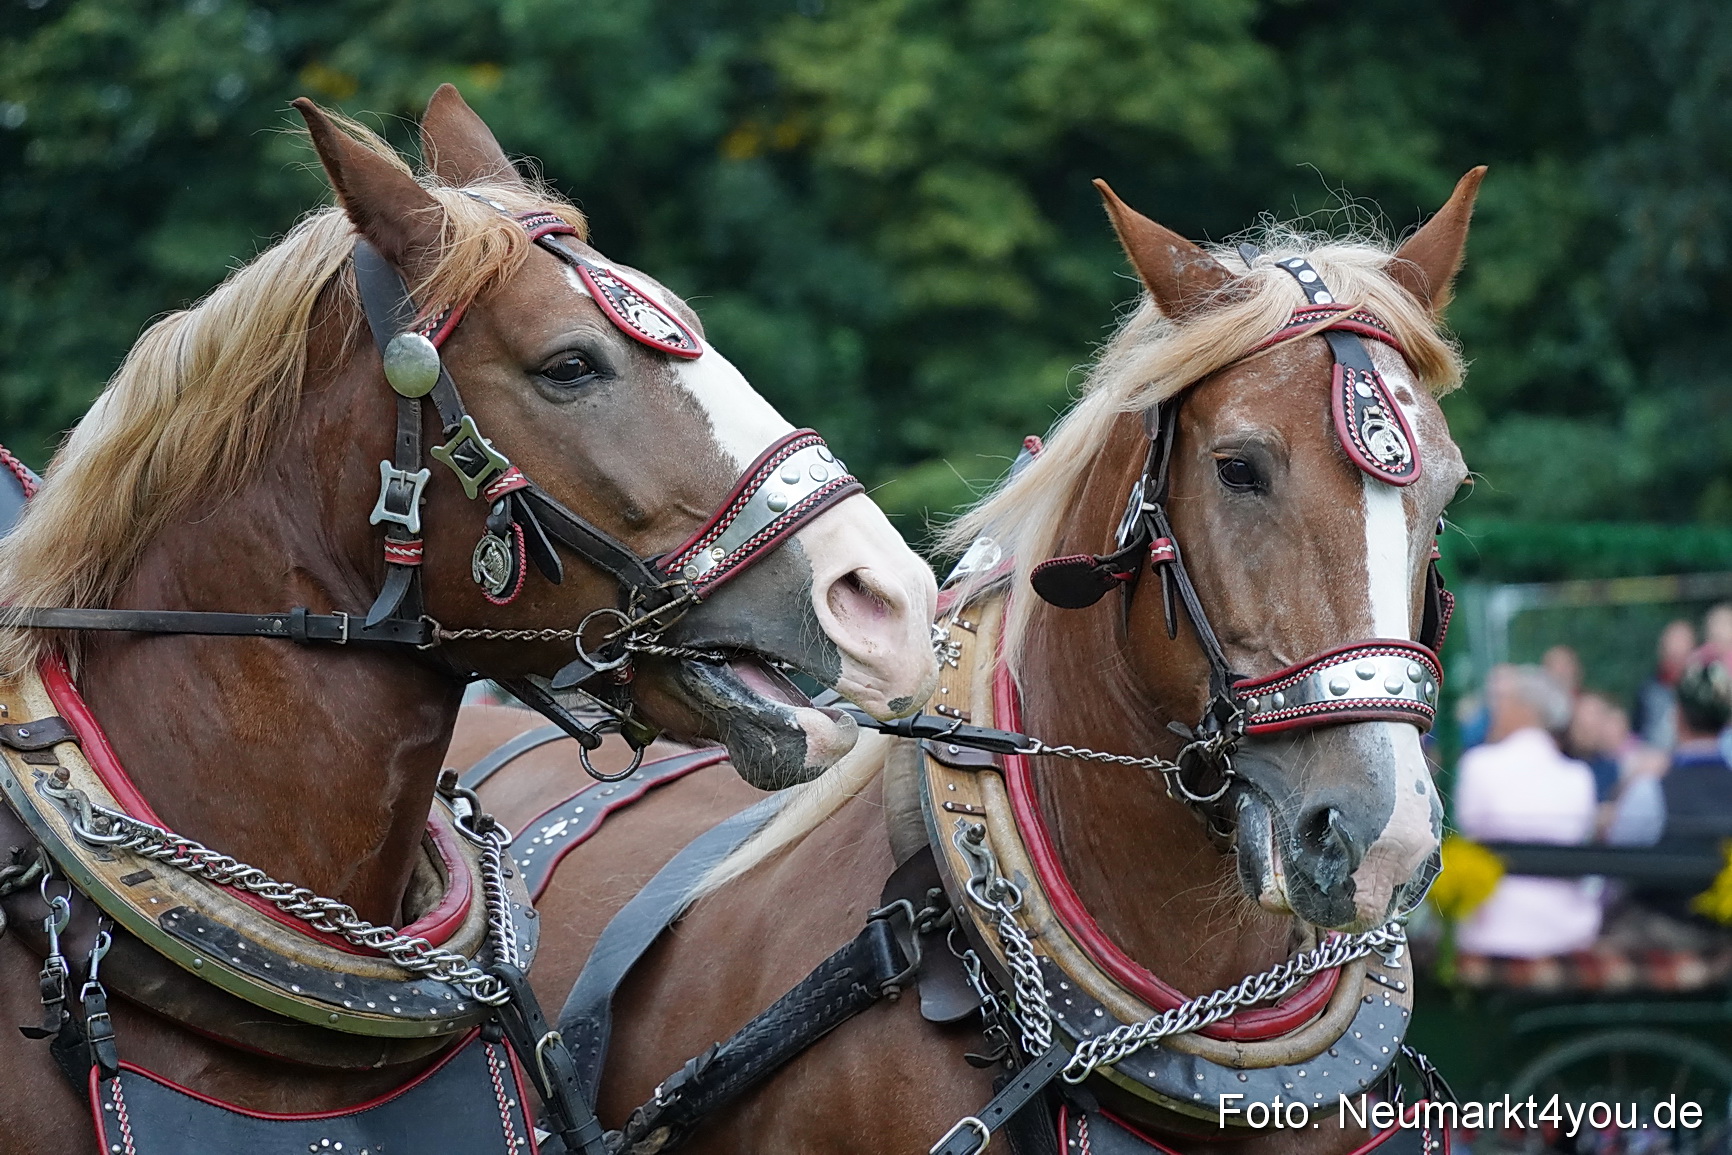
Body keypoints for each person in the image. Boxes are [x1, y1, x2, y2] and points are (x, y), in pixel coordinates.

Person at [1454, 664, 1601, 957]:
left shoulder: (1478, 764)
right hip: (1567, 927)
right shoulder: (1580, 776)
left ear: (1526, 710)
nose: (1495, 710)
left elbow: (1464, 834)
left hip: (1491, 929)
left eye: (1503, 702)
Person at [1634, 619, 1696, 750]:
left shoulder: (1702, 691)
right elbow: (1638, 731)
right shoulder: (1648, 691)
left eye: (1681, 653)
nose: (1676, 652)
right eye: (1671, 651)